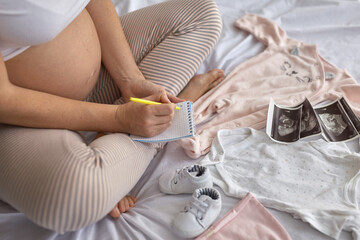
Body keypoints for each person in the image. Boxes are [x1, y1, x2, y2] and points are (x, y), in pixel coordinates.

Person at [0, 0, 224, 233]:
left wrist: (130, 79)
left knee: (199, 14)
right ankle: (158, 127)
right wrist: (117, 118)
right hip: (21, 120)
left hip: (102, 74)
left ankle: (119, 152)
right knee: (72, 195)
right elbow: (3, 100)